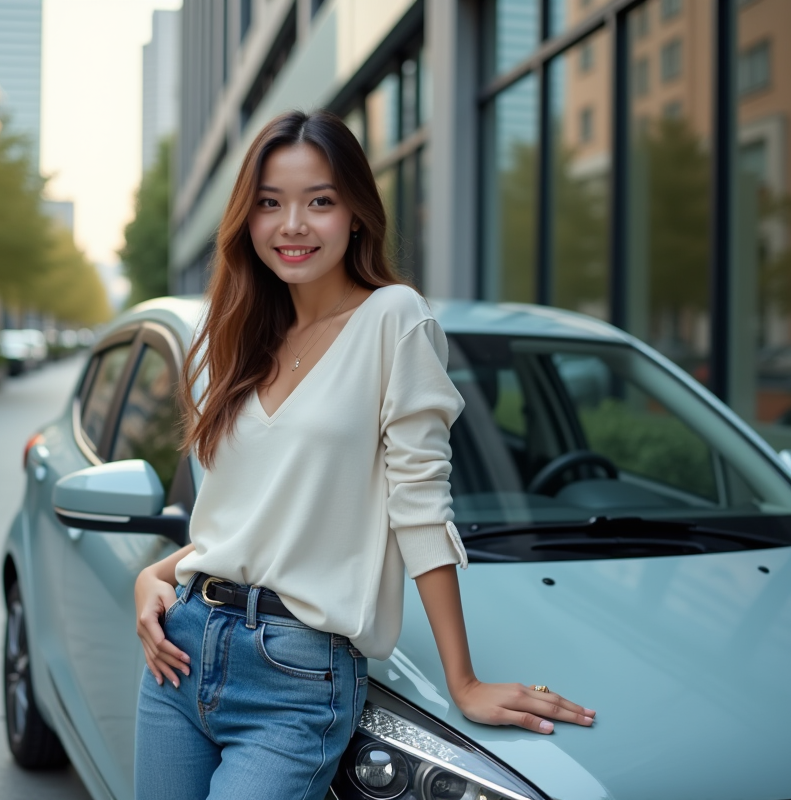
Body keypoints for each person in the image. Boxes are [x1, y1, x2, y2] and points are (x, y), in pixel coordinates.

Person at [131, 109, 595, 800]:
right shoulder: (243, 336)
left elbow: (419, 506)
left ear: (356, 214)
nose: (293, 224)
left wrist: (461, 681)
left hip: (294, 678)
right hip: (181, 647)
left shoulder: (395, 319)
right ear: (246, 220)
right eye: (270, 203)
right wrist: (157, 575)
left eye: (319, 200)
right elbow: (246, 519)